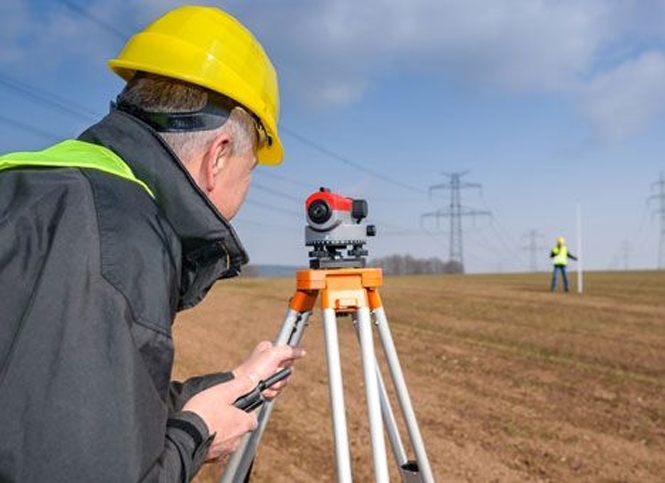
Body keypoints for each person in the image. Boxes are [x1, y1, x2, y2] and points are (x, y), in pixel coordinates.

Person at [0, 6, 304, 482]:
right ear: (219, 157)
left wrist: (235, 385)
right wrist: (196, 436)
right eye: (252, 175)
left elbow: (60, 408)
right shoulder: (117, 240)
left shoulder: (37, 187)